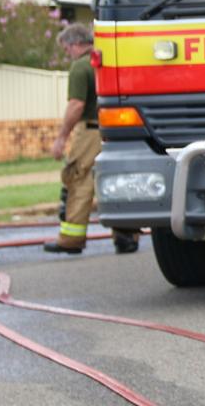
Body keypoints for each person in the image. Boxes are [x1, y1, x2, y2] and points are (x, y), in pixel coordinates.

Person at [44, 24, 140, 255]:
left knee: (79, 180)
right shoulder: (111, 59)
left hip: (89, 131)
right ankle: (126, 237)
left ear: (76, 44)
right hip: (118, 129)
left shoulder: (80, 67)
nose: (68, 53)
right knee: (116, 180)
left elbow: (76, 105)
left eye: (67, 49)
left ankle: (71, 239)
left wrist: (61, 138)